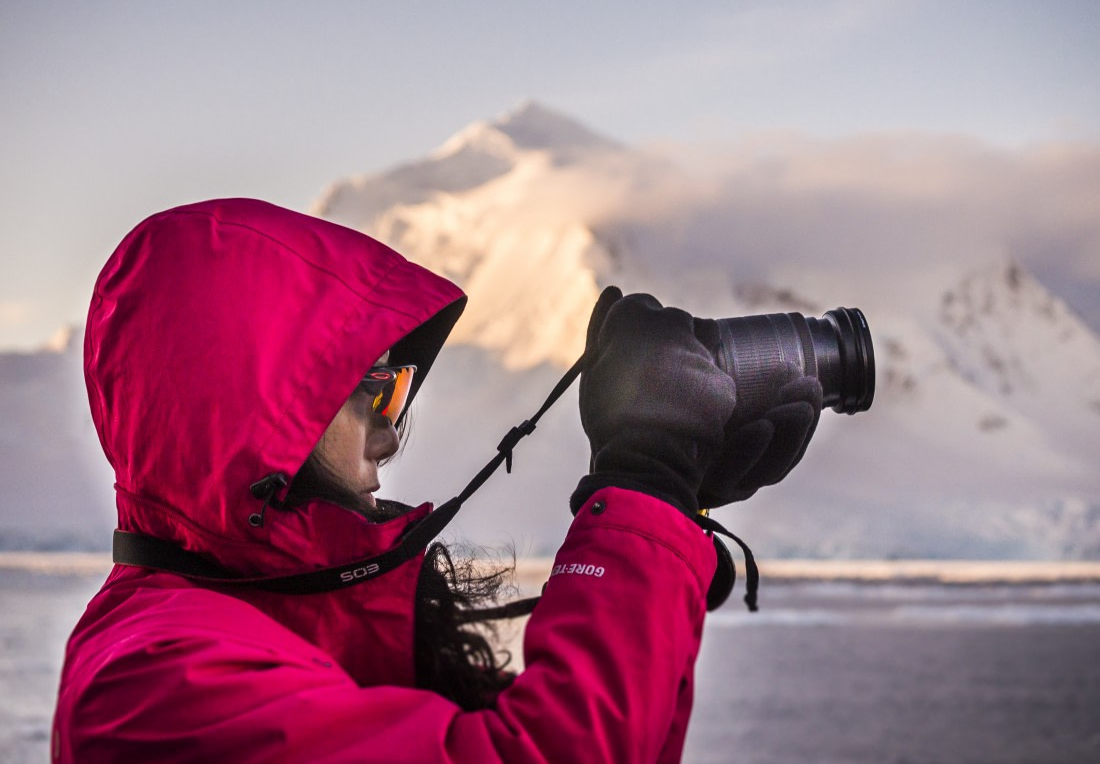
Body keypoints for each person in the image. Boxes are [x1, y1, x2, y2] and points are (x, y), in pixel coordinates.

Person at [52, 197, 821, 763]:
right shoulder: (158, 686)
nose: (389, 435)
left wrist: (669, 516)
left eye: (397, 395)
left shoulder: (257, 624)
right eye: (373, 391)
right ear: (248, 416)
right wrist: (644, 491)